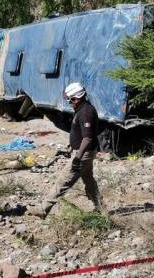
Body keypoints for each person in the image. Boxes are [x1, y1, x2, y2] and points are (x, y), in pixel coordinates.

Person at [36, 83, 104, 219]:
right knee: (89, 182)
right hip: (84, 152)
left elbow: (88, 138)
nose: (70, 102)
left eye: (71, 99)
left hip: (83, 154)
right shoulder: (82, 109)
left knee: (62, 181)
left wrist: (77, 158)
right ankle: (101, 209)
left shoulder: (86, 112)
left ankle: (43, 209)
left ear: (77, 98)